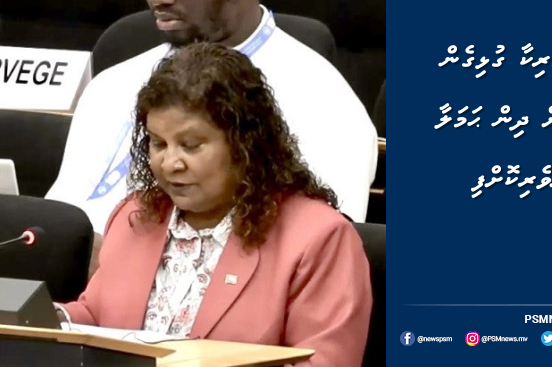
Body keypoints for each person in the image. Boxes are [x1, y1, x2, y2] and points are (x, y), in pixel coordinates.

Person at [44, 0, 378, 247]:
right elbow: (58, 222)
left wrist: (117, 265)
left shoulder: (324, 104)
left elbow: (320, 253)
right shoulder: (110, 86)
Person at [60, 44, 372, 367]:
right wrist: (55, 320)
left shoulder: (319, 239)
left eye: (190, 146)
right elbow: (96, 318)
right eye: (158, 144)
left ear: (244, 145)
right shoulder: (135, 216)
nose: (170, 163)